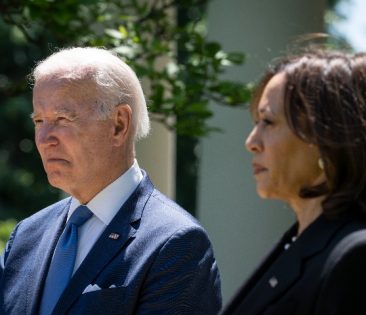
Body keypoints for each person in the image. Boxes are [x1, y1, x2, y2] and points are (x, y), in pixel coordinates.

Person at [0, 47, 222, 315]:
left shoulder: (175, 243)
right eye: (39, 120)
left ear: (119, 124)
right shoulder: (26, 236)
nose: (45, 138)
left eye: (61, 118)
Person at [223, 49, 366, 315]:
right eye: (257, 122)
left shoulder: (364, 257)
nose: (251, 142)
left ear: (329, 140)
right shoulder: (301, 242)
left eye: (268, 122)